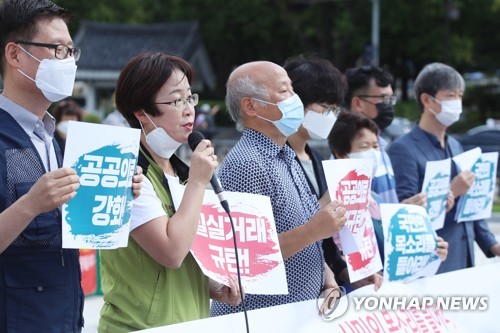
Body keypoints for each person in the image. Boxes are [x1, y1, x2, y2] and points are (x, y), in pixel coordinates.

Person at [0, 2, 142, 331]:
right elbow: (34, 208)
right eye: (58, 49)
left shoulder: (56, 140)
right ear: (15, 54)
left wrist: (115, 192)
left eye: (71, 51)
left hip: (66, 317)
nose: (69, 62)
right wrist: (30, 205)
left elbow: (78, 227)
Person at [98, 51, 241, 332]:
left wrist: (210, 286)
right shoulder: (128, 172)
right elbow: (171, 252)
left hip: (190, 322)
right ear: (141, 112)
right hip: (137, 326)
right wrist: (200, 182)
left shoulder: (183, 173)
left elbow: (186, 253)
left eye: (190, 97)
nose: (189, 109)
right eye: (176, 100)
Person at [210, 60, 347, 316]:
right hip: (262, 317)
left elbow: (301, 231)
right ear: (251, 106)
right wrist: (312, 231)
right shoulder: (247, 164)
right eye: (284, 91)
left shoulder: (285, 154)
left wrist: (327, 277)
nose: (295, 99)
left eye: (292, 90)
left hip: (296, 313)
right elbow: (245, 256)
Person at [388, 62, 500, 273]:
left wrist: (492, 245)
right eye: (450, 96)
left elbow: (469, 209)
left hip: (463, 260)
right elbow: (406, 216)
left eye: (459, 95)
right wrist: (452, 191)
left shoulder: (455, 145)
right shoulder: (403, 150)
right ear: (427, 100)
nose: (457, 102)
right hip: (431, 265)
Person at [283, 55, 382, 290]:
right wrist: (325, 203)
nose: (330, 116)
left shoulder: (316, 159)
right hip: (292, 288)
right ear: (295, 102)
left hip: (324, 289)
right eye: (325, 108)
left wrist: (349, 273)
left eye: (335, 109)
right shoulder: (278, 159)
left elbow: (326, 243)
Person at [329, 111, 449, 265]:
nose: (373, 154)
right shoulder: (334, 204)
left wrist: (431, 249)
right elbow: (349, 260)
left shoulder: (376, 199)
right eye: (364, 147)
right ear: (341, 154)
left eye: (376, 146)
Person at [345, 65, 426, 207]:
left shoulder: (381, 147)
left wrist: (404, 208)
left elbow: (382, 210)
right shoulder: (350, 152)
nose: (389, 106)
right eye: (383, 98)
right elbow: (356, 215)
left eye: (391, 99)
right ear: (358, 103)